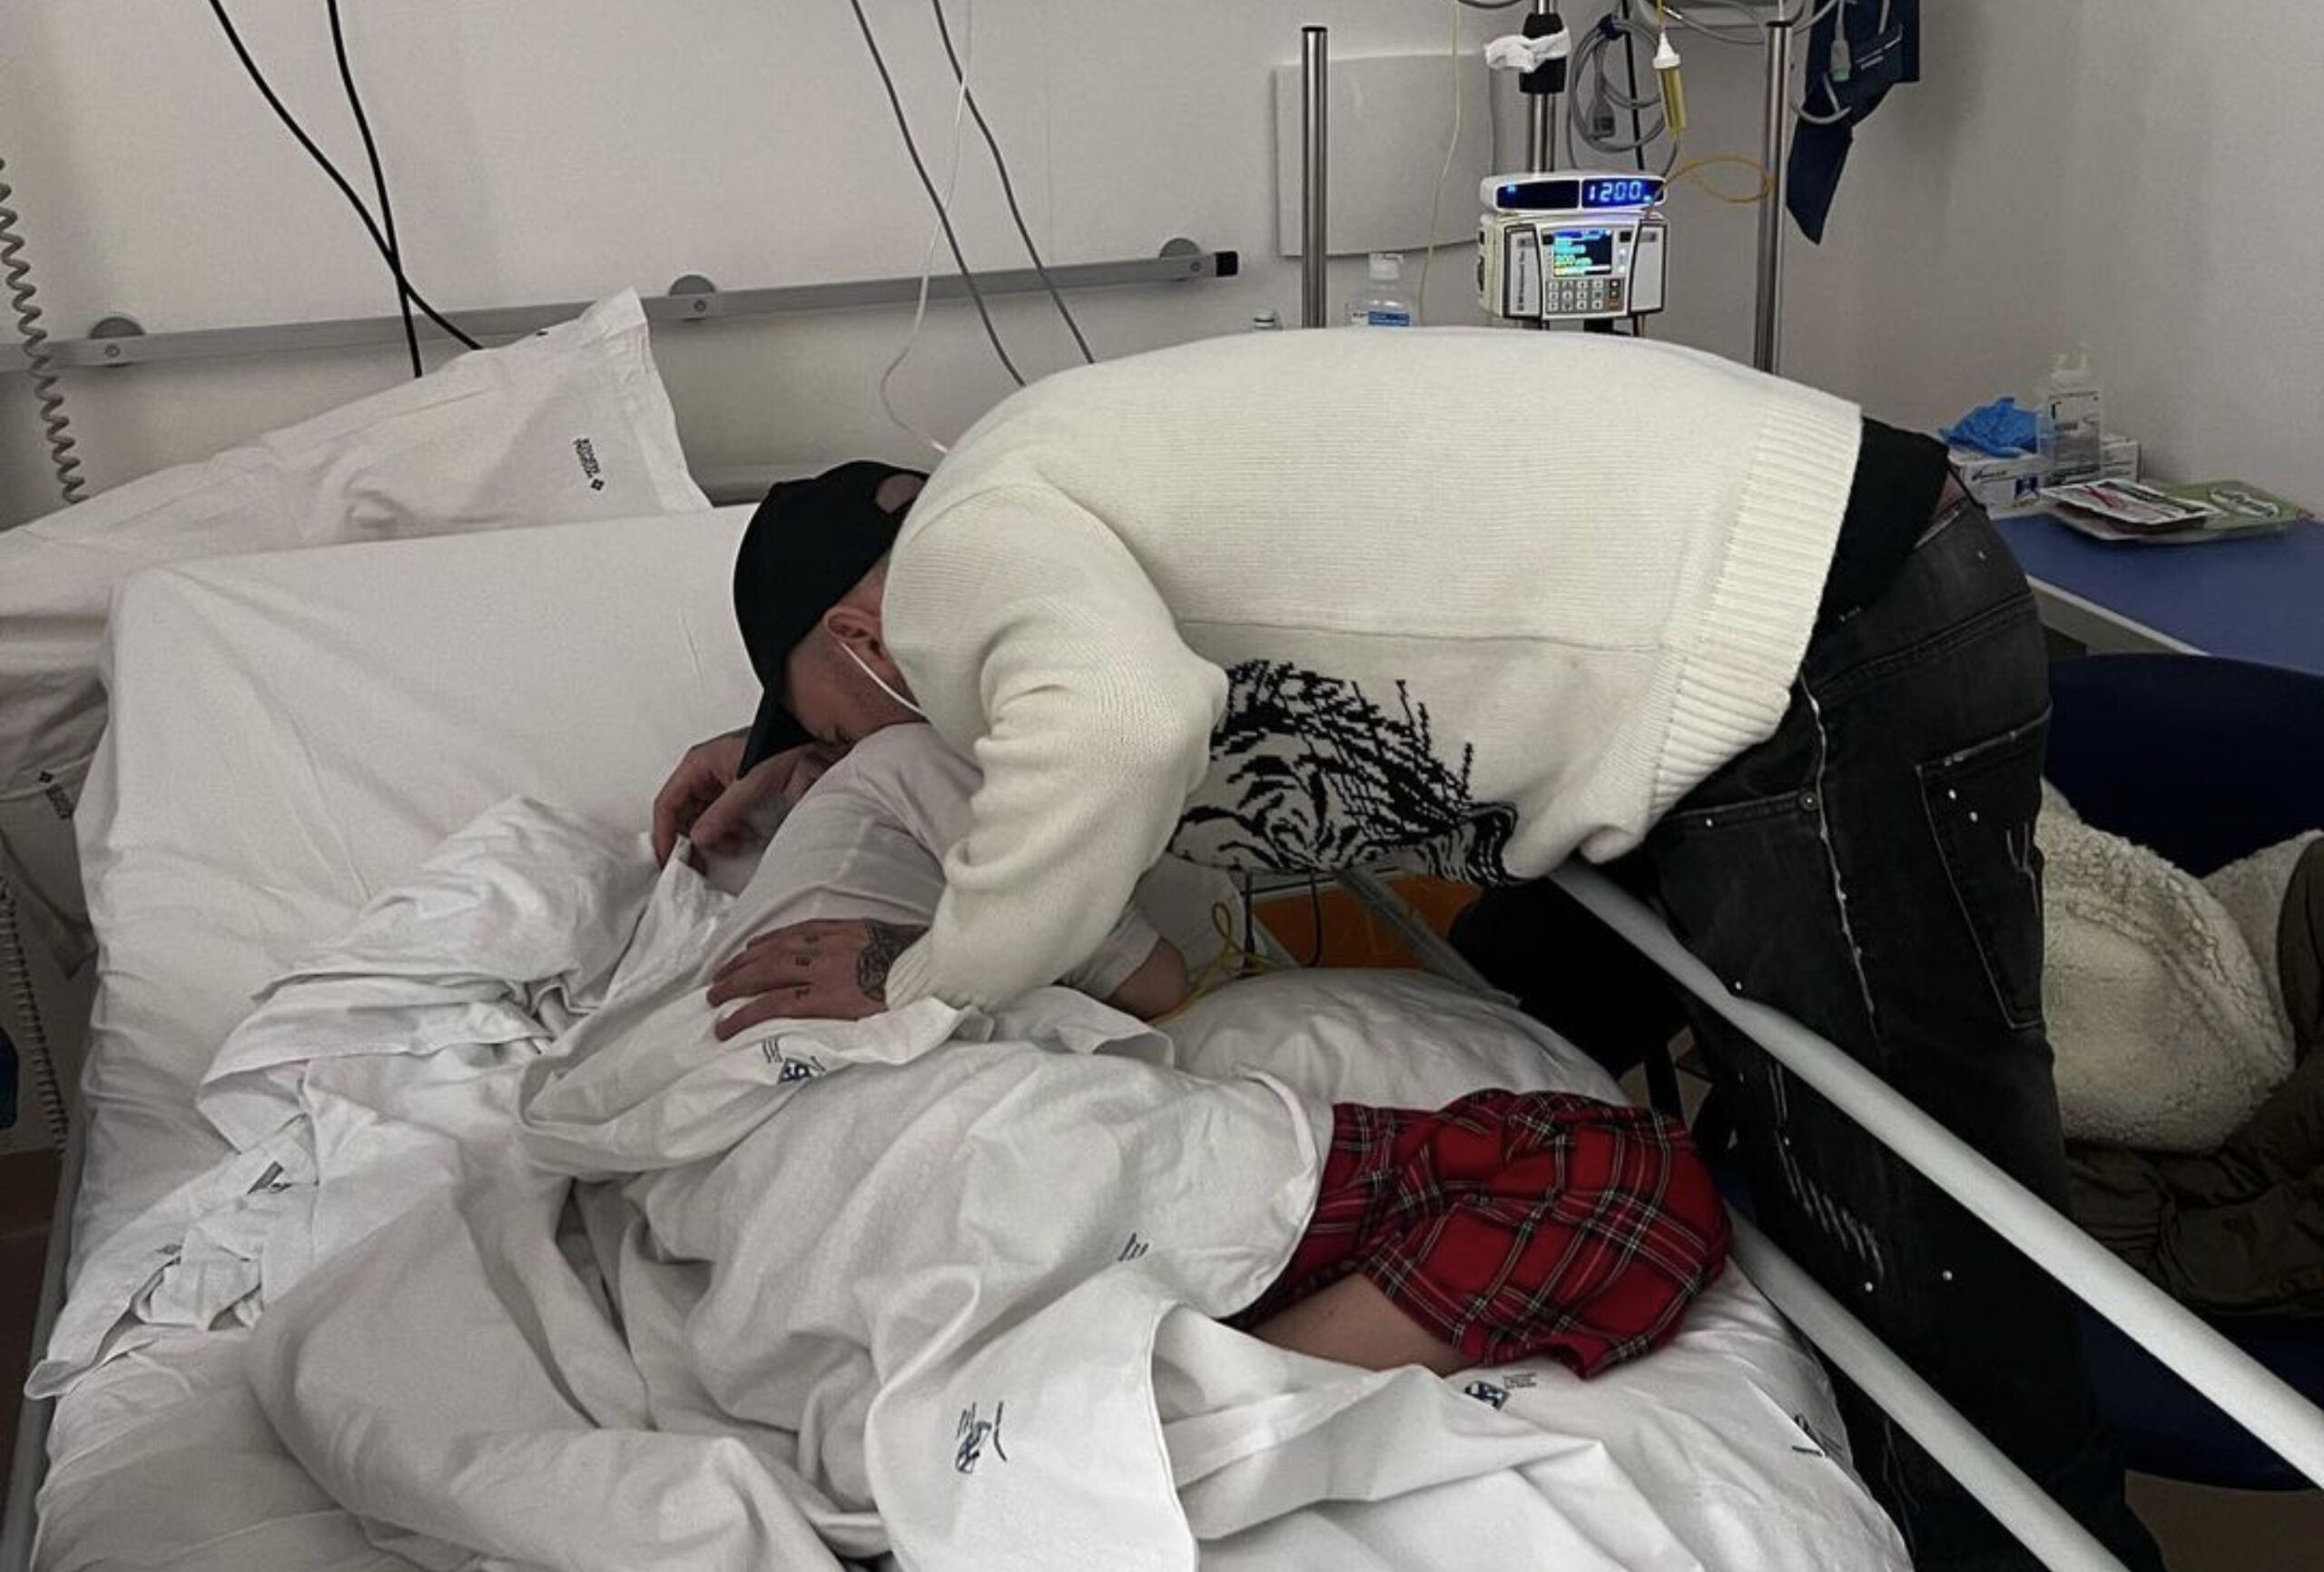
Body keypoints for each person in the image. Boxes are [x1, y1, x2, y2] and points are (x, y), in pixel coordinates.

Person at [653, 330, 2163, 1572]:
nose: (917, 747)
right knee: (1523, 1005)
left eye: (849, 726)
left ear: (866, 631)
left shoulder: (961, 553)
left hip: (1826, 632)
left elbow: (1113, 723)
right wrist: (781, 751)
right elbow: (1019, 699)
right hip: (1752, 633)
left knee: (1924, 1229)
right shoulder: (1012, 509)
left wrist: (917, 980)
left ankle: (2043, 1552)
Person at [707, 718, 1734, 1380]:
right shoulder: (909, 757)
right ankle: (1202, 1400)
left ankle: (1121, 1402)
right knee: (1630, 1185)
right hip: (961, 1135)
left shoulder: (721, 886)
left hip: (777, 1217)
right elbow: (1162, 991)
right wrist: (940, 963)